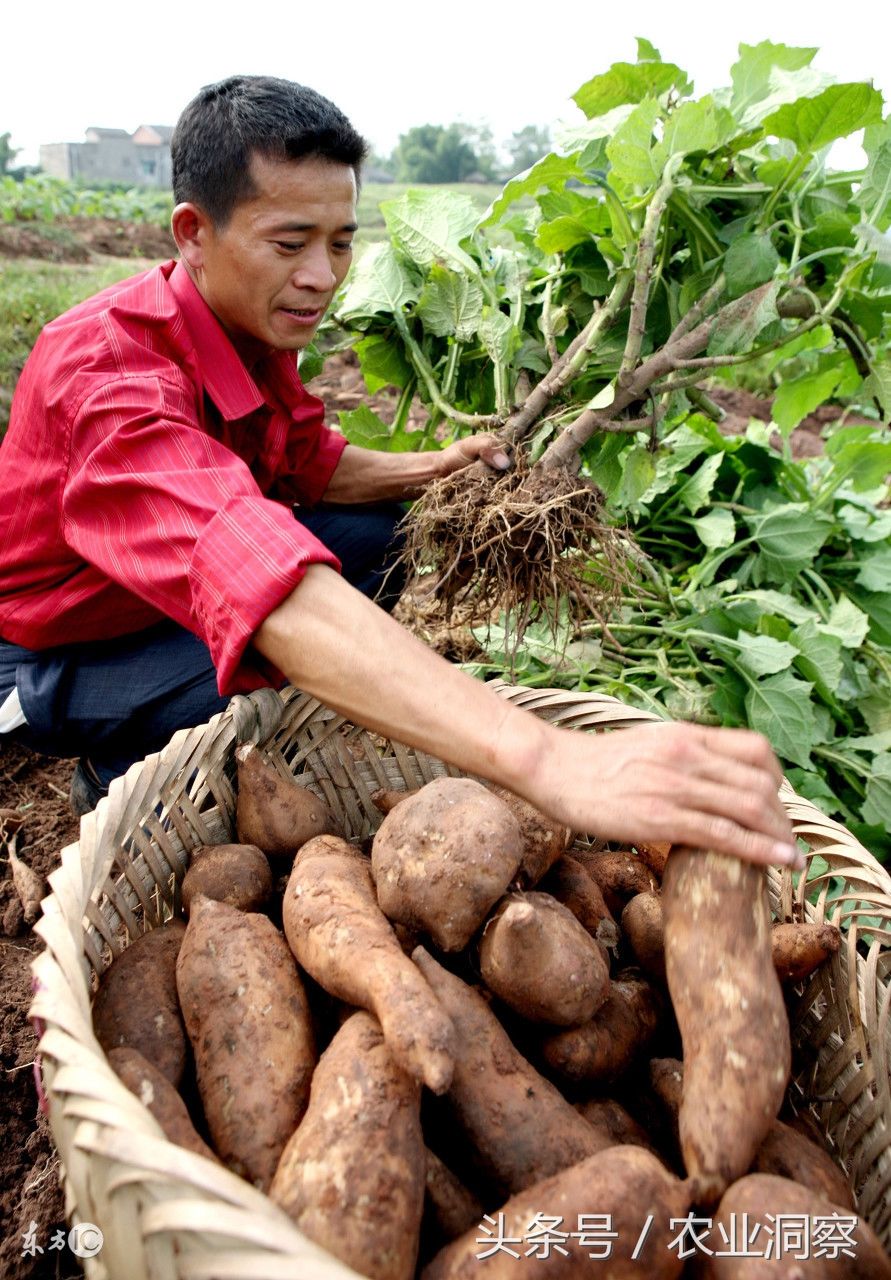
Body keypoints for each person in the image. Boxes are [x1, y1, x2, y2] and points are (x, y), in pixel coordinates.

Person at [0, 75, 801, 870]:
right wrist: (547, 759)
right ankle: (112, 773)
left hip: (146, 595)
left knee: (382, 538)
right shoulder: (108, 376)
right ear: (192, 233)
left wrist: (436, 468)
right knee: (273, 647)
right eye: (290, 243)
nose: (322, 275)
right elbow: (244, 565)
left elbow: (309, 463)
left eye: (341, 242)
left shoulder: (245, 323)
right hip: (51, 651)